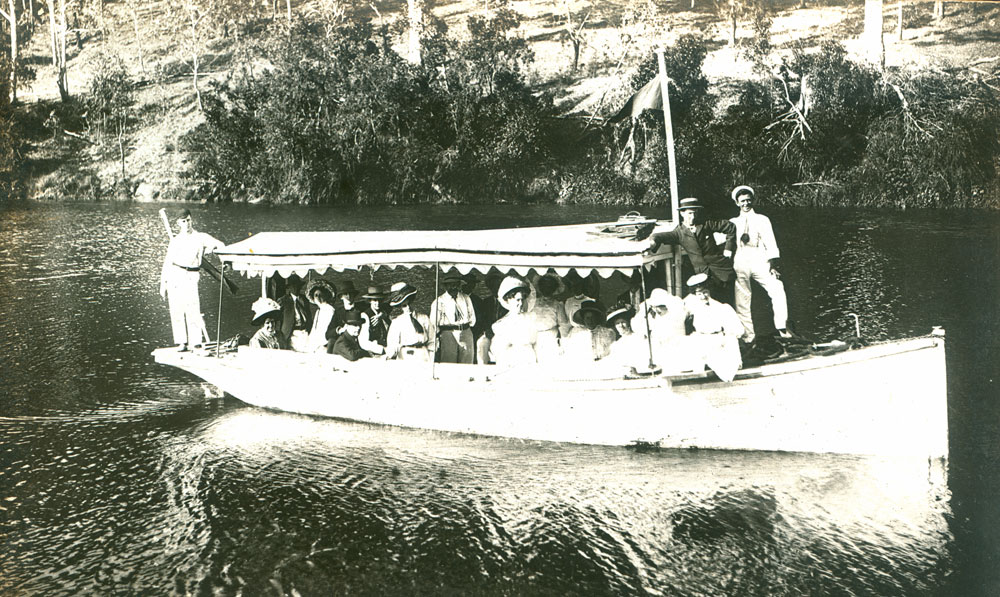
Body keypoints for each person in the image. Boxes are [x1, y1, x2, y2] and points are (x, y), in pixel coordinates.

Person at [729, 185, 791, 343]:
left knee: (777, 288)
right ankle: (749, 336)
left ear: (753, 201)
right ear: (737, 203)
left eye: (748, 200)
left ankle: (782, 327)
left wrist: (773, 264)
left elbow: (770, 241)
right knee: (742, 298)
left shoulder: (762, 219)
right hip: (740, 259)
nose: (746, 204)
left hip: (759, 258)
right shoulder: (732, 222)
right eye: (742, 201)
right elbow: (720, 239)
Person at [649, 197, 737, 304]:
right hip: (704, 277)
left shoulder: (706, 224)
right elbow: (660, 236)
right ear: (682, 213)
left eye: (695, 213)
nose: (693, 216)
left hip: (723, 272)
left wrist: (728, 249)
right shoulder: (679, 233)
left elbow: (731, 227)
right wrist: (653, 240)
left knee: (728, 306)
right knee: (707, 305)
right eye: (690, 213)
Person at [159, 209, 225, 351]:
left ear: (191, 220)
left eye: (188, 220)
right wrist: (163, 284)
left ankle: (195, 342)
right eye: (183, 221)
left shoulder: (200, 237)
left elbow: (220, 245)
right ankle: (181, 342)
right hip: (175, 275)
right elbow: (167, 262)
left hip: (191, 276)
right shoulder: (175, 241)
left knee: (193, 309)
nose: (187, 223)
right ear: (178, 223)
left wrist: (214, 251)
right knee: (177, 309)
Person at [684, 273, 744, 382]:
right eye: (699, 294)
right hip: (702, 340)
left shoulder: (720, 307)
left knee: (724, 359)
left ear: (709, 291)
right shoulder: (692, 306)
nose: (703, 296)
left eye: (705, 292)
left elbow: (734, 330)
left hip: (717, 340)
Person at [489, 276, 538, 366]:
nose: (520, 303)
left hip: (529, 358)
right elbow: (498, 350)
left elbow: (535, 341)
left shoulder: (530, 318)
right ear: (508, 300)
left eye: (522, 300)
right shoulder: (502, 324)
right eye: (517, 300)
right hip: (512, 359)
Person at [430, 270, 476, 363]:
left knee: (467, 361)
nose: (453, 287)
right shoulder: (439, 301)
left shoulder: (466, 298)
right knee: (449, 362)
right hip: (448, 333)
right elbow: (433, 323)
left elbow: (472, 317)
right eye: (450, 284)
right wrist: (439, 336)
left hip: (465, 331)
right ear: (445, 286)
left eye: (455, 284)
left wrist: (467, 330)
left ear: (459, 285)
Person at [385, 281, 433, 361]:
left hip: (423, 354)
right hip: (405, 355)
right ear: (400, 307)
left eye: (409, 304)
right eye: (404, 306)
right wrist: (391, 354)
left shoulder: (424, 318)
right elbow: (392, 343)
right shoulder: (397, 322)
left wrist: (431, 356)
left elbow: (432, 340)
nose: (408, 308)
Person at [530, 273, 569, 363]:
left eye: (549, 286)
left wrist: (563, 344)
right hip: (535, 336)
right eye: (544, 285)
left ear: (554, 288)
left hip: (550, 338)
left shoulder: (558, 305)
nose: (546, 288)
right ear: (540, 286)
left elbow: (563, 325)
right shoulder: (533, 302)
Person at [474, 272, 506, 365]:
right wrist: (487, 330)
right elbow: (482, 319)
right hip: (489, 333)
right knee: (482, 344)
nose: (495, 288)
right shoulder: (486, 302)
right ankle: (483, 371)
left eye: (497, 285)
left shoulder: (507, 302)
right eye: (492, 286)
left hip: (503, 334)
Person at [278, 274, 313, 352]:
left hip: (305, 332)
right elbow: (278, 319)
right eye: (293, 286)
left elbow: (309, 316)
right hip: (291, 333)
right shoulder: (283, 300)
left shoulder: (304, 299)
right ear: (289, 288)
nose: (296, 288)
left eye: (298, 286)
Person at [304, 279, 337, 353]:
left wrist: (318, 344)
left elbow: (326, 329)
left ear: (325, 296)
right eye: (316, 295)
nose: (318, 297)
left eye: (320, 295)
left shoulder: (329, 309)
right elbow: (314, 329)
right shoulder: (318, 311)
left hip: (324, 344)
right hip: (315, 344)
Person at [359, 285, 390, 356]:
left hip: (388, 348)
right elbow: (363, 342)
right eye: (375, 300)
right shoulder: (365, 316)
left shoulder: (383, 314)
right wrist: (382, 350)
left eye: (380, 300)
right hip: (375, 353)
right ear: (370, 301)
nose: (378, 303)